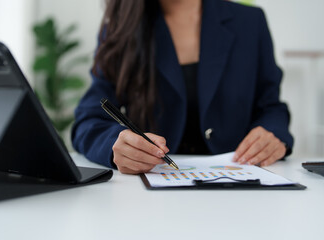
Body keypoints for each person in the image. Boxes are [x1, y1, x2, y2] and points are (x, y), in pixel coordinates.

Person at [72, 0, 293, 174]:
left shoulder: (250, 22)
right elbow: (88, 120)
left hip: (238, 182)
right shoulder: (121, 30)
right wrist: (115, 146)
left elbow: (271, 107)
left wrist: (272, 134)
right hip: (150, 195)